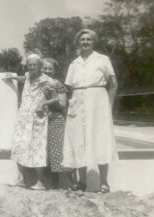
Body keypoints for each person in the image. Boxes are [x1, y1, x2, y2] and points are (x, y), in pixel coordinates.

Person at [62, 29, 118, 193]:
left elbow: (113, 83)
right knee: (78, 140)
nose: (85, 42)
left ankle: (104, 183)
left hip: (98, 100)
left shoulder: (102, 59)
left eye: (89, 39)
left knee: (101, 139)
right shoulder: (74, 63)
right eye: (82, 40)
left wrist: (109, 105)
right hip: (78, 100)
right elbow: (66, 87)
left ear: (93, 42)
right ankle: (82, 182)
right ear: (78, 43)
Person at [5, 53, 54, 190]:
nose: (32, 67)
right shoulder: (27, 76)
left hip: (37, 119)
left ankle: (41, 182)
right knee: (19, 145)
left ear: (40, 66)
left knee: (37, 148)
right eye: (30, 65)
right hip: (23, 117)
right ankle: (21, 178)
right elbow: (22, 78)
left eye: (35, 65)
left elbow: (59, 97)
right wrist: (12, 77)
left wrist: (45, 103)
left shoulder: (47, 80)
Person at [39, 58, 76, 188]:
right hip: (41, 121)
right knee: (42, 152)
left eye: (50, 68)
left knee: (57, 153)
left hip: (56, 120)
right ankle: (42, 184)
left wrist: (53, 94)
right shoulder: (37, 83)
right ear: (40, 69)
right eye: (45, 68)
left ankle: (59, 185)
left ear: (55, 71)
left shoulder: (58, 84)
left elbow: (63, 105)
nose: (47, 71)